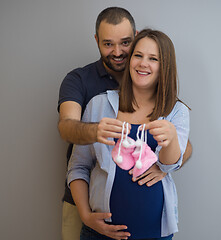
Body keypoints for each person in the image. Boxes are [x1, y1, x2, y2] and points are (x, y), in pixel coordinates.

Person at [58, 7, 192, 240]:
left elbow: (174, 160)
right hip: (96, 228)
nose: (142, 63)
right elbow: (73, 149)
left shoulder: (176, 110)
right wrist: (87, 216)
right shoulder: (96, 100)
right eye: (138, 56)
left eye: (153, 58)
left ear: (165, 66)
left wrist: (169, 145)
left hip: (155, 233)